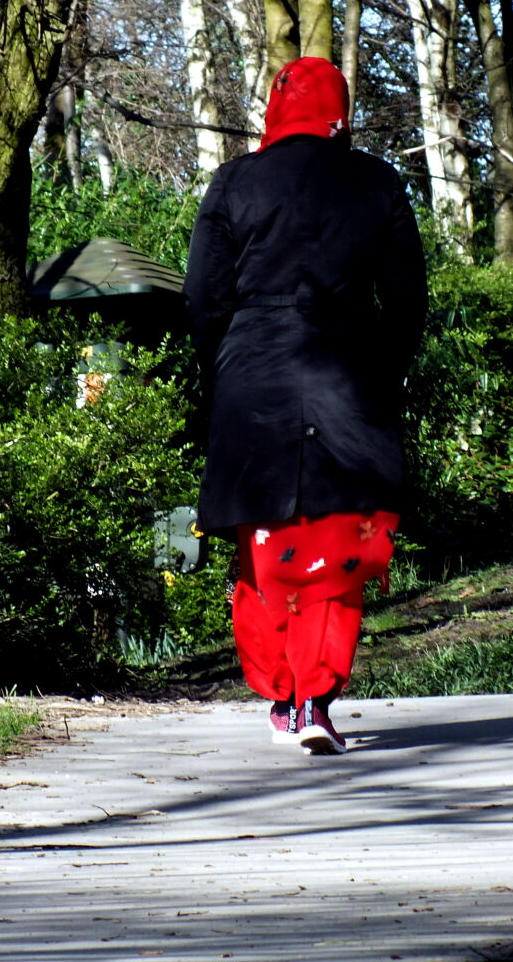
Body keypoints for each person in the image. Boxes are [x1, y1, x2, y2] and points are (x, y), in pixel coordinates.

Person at [184, 57, 427, 755]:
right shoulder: (377, 182)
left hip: (253, 377)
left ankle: (282, 696)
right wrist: (385, 367)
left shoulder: (233, 182)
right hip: (347, 372)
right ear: (340, 112)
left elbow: (204, 296)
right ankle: (317, 698)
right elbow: (406, 297)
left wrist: (222, 367)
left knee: (264, 542)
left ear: (274, 109)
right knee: (337, 542)